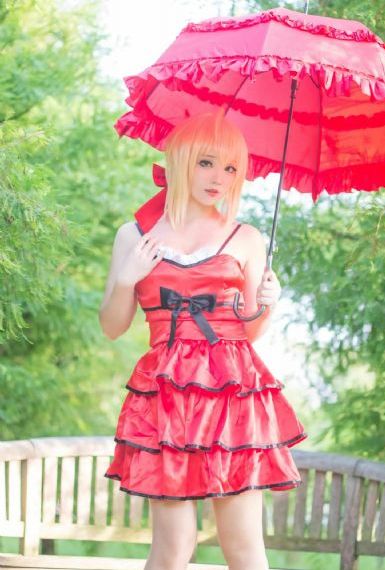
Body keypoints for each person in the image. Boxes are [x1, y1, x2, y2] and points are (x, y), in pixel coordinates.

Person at [99, 109, 307, 570]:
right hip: (166, 394)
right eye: (206, 163)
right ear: (180, 160)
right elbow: (112, 327)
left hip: (233, 394)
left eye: (230, 168)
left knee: (243, 546)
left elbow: (250, 331)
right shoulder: (134, 236)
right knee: (173, 547)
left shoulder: (246, 238)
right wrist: (127, 279)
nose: (219, 178)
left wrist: (269, 303)